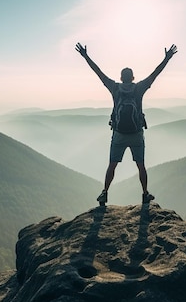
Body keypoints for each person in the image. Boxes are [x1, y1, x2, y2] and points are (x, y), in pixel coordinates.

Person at [75, 42, 177, 205]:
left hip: (119, 134)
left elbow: (98, 72)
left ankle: (104, 193)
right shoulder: (139, 88)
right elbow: (155, 73)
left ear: (121, 78)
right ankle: (145, 194)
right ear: (133, 78)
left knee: (112, 165)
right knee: (141, 166)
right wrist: (167, 58)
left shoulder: (115, 88)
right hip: (136, 134)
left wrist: (85, 56)